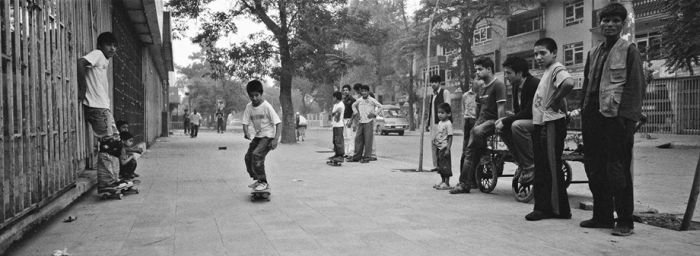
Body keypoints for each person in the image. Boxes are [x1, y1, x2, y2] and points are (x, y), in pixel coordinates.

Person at [579, 3, 646, 236]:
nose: (609, 24)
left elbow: (636, 87)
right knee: (594, 169)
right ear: (600, 23)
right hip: (593, 120)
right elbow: (587, 85)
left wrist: (627, 121)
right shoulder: (593, 52)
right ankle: (602, 217)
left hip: (617, 120)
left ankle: (625, 221)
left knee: (617, 171)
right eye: (606, 20)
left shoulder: (629, 50)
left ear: (622, 24)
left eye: (615, 21)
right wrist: (583, 113)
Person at [524, 37, 575, 221]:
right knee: (543, 166)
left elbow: (568, 83)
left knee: (549, 167)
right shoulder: (548, 71)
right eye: (535, 54)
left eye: (542, 53)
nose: (538, 57)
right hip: (543, 124)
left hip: (551, 124)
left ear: (554, 53)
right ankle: (554, 209)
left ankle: (549, 209)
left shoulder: (556, 68)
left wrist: (554, 101)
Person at [77, 32, 128, 193]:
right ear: (100, 46)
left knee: (116, 142)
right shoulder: (98, 54)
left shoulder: (103, 60)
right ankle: (106, 184)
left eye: (115, 45)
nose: (113, 48)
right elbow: (81, 62)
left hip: (103, 107)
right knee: (108, 144)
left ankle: (113, 179)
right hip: (96, 107)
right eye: (109, 45)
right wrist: (82, 88)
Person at [450, 57, 506, 194]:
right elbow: (479, 110)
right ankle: (465, 183)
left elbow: (501, 108)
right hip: (480, 123)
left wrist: (500, 123)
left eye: (480, 69)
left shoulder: (498, 85)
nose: (477, 73)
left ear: (489, 69)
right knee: (468, 152)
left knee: (476, 133)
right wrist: (475, 124)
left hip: (493, 122)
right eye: (476, 70)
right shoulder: (481, 88)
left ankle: (485, 154)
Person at [496, 56, 540, 184]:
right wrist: (504, 120)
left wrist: (506, 120)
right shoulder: (515, 86)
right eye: (505, 73)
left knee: (516, 125)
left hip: (539, 120)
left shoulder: (534, 84)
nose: (506, 76)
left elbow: (529, 111)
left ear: (520, 73)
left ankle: (531, 165)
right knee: (501, 127)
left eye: (509, 73)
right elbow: (519, 112)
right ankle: (521, 163)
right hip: (527, 120)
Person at [242, 80, 282, 191]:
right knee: (248, 157)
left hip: (268, 137)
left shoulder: (267, 106)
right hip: (258, 137)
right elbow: (245, 122)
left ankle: (263, 181)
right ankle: (258, 180)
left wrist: (275, 139)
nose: (254, 98)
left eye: (256, 95)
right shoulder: (249, 107)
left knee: (257, 155)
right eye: (251, 96)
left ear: (261, 94)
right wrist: (246, 132)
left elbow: (278, 123)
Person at [349, 84, 382, 163]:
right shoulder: (359, 100)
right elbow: (353, 105)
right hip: (361, 122)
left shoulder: (371, 100)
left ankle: (367, 157)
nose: (364, 93)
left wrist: (374, 114)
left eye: (365, 91)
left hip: (368, 122)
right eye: (362, 91)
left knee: (368, 140)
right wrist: (356, 112)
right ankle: (357, 157)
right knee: (358, 139)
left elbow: (380, 106)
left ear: (368, 92)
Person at [427, 75, 451, 172]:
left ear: (439, 83)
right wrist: (428, 122)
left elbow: (448, 107)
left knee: (442, 145)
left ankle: (443, 166)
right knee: (434, 144)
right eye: (431, 82)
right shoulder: (432, 95)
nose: (433, 84)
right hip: (433, 124)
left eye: (435, 82)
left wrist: (446, 123)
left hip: (442, 123)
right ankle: (436, 165)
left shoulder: (445, 92)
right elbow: (430, 110)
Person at [432, 103, 454, 190]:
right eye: (439, 112)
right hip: (439, 147)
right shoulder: (440, 123)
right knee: (440, 165)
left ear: (448, 114)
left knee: (446, 166)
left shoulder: (448, 124)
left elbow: (450, 136)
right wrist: (435, 140)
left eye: (442, 113)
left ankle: (447, 182)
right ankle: (442, 180)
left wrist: (448, 148)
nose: (440, 114)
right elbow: (439, 133)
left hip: (444, 148)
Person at [459, 78, 479, 173]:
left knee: (476, 149)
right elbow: (463, 111)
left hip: (478, 121)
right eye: (474, 81)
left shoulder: (481, 94)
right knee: (466, 148)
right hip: (468, 121)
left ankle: (474, 176)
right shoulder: (465, 95)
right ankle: (463, 175)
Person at [330, 91, 345, 161]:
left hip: (339, 125)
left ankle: (341, 155)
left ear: (336, 97)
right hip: (335, 125)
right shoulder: (335, 105)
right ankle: (336, 154)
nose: (332, 99)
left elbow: (337, 115)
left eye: (333, 97)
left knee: (339, 140)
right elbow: (332, 114)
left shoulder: (341, 105)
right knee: (335, 140)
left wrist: (334, 113)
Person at [342, 84, 356, 158]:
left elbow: (355, 112)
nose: (345, 91)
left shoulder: (352, 100)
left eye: (346, 90)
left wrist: (351, 120)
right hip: (343, 120)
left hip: (349, 120)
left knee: (350, 137)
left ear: (349, 91)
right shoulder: (343, 100)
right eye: (344, 90)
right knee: (345, 137)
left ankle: (351, 153)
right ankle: (346, 152)